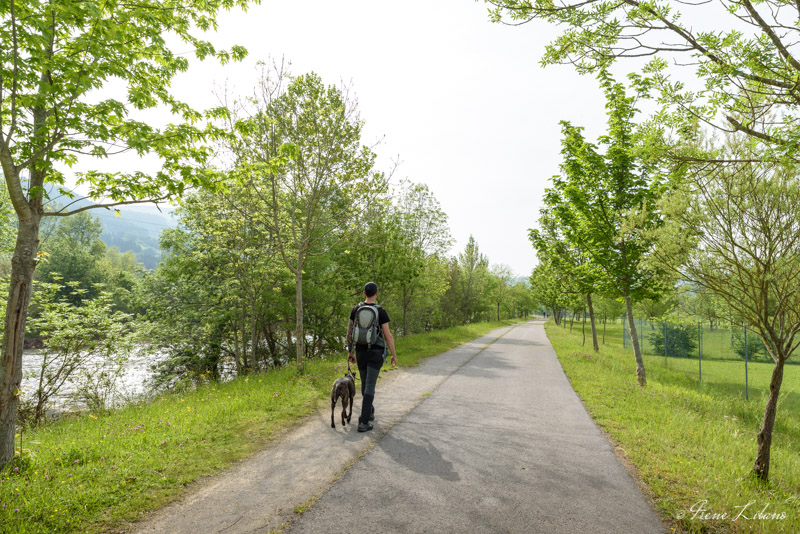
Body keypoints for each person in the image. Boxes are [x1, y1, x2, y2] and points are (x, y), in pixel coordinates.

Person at [347, 281, 397, 432]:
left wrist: (350, 351)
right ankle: (363, 422)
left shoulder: (356, 309)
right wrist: (393, 355)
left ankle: (369, 412)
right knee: (369, 386)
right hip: (376, 352)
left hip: (360, 352)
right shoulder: (381, 311)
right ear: (376, 293)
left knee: (365, 384)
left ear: (363, 293)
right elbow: (388, 336)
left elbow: (349, 333)